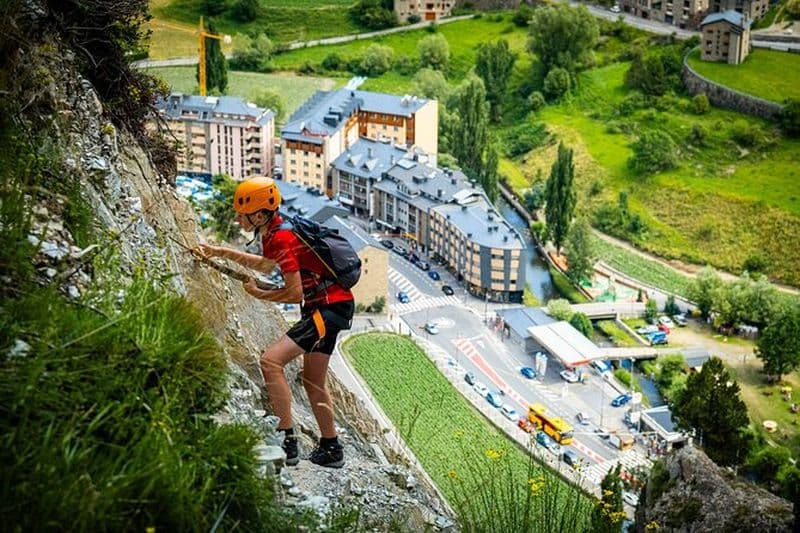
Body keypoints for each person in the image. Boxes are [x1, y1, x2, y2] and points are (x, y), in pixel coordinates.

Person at [199, 177, 354, 469]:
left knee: (270, 362)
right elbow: (265, 265)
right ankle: (332, 449)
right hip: (332, 307)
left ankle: (287, 441)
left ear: (259, 214)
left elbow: (293, 292)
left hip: (327, 308)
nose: (237, 217)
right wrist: (221, 253)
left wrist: (260, 294)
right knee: (312, 382)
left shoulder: (281, 237)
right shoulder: (277, 230)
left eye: (241, 213)